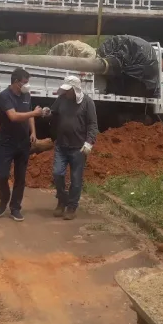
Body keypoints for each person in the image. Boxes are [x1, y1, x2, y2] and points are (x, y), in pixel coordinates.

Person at [0, 67, 43, 222]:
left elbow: (29, 116)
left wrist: (33, 132)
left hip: (23, 143)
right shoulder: (5, 96)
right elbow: (14, 116)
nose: (27, 85)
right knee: (2, 175)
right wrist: (35, 113)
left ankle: (15, 207)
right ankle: (4, 197)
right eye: (25, 82)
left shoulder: (26, 95)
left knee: (20, 177)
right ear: (16, 82)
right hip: (7, 143)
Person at [49, 76, 98, 220]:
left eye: (68, 90)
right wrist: (46, 113)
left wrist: (89, 142)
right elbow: (54, 113)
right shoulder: (61, 100)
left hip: (78, 149)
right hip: (61, 146)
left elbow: (92, 125)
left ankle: (71, 207)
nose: (66, 93)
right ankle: (62, 200)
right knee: (58, 174)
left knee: (76, 180)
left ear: (75, 89)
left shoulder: (87, 103)